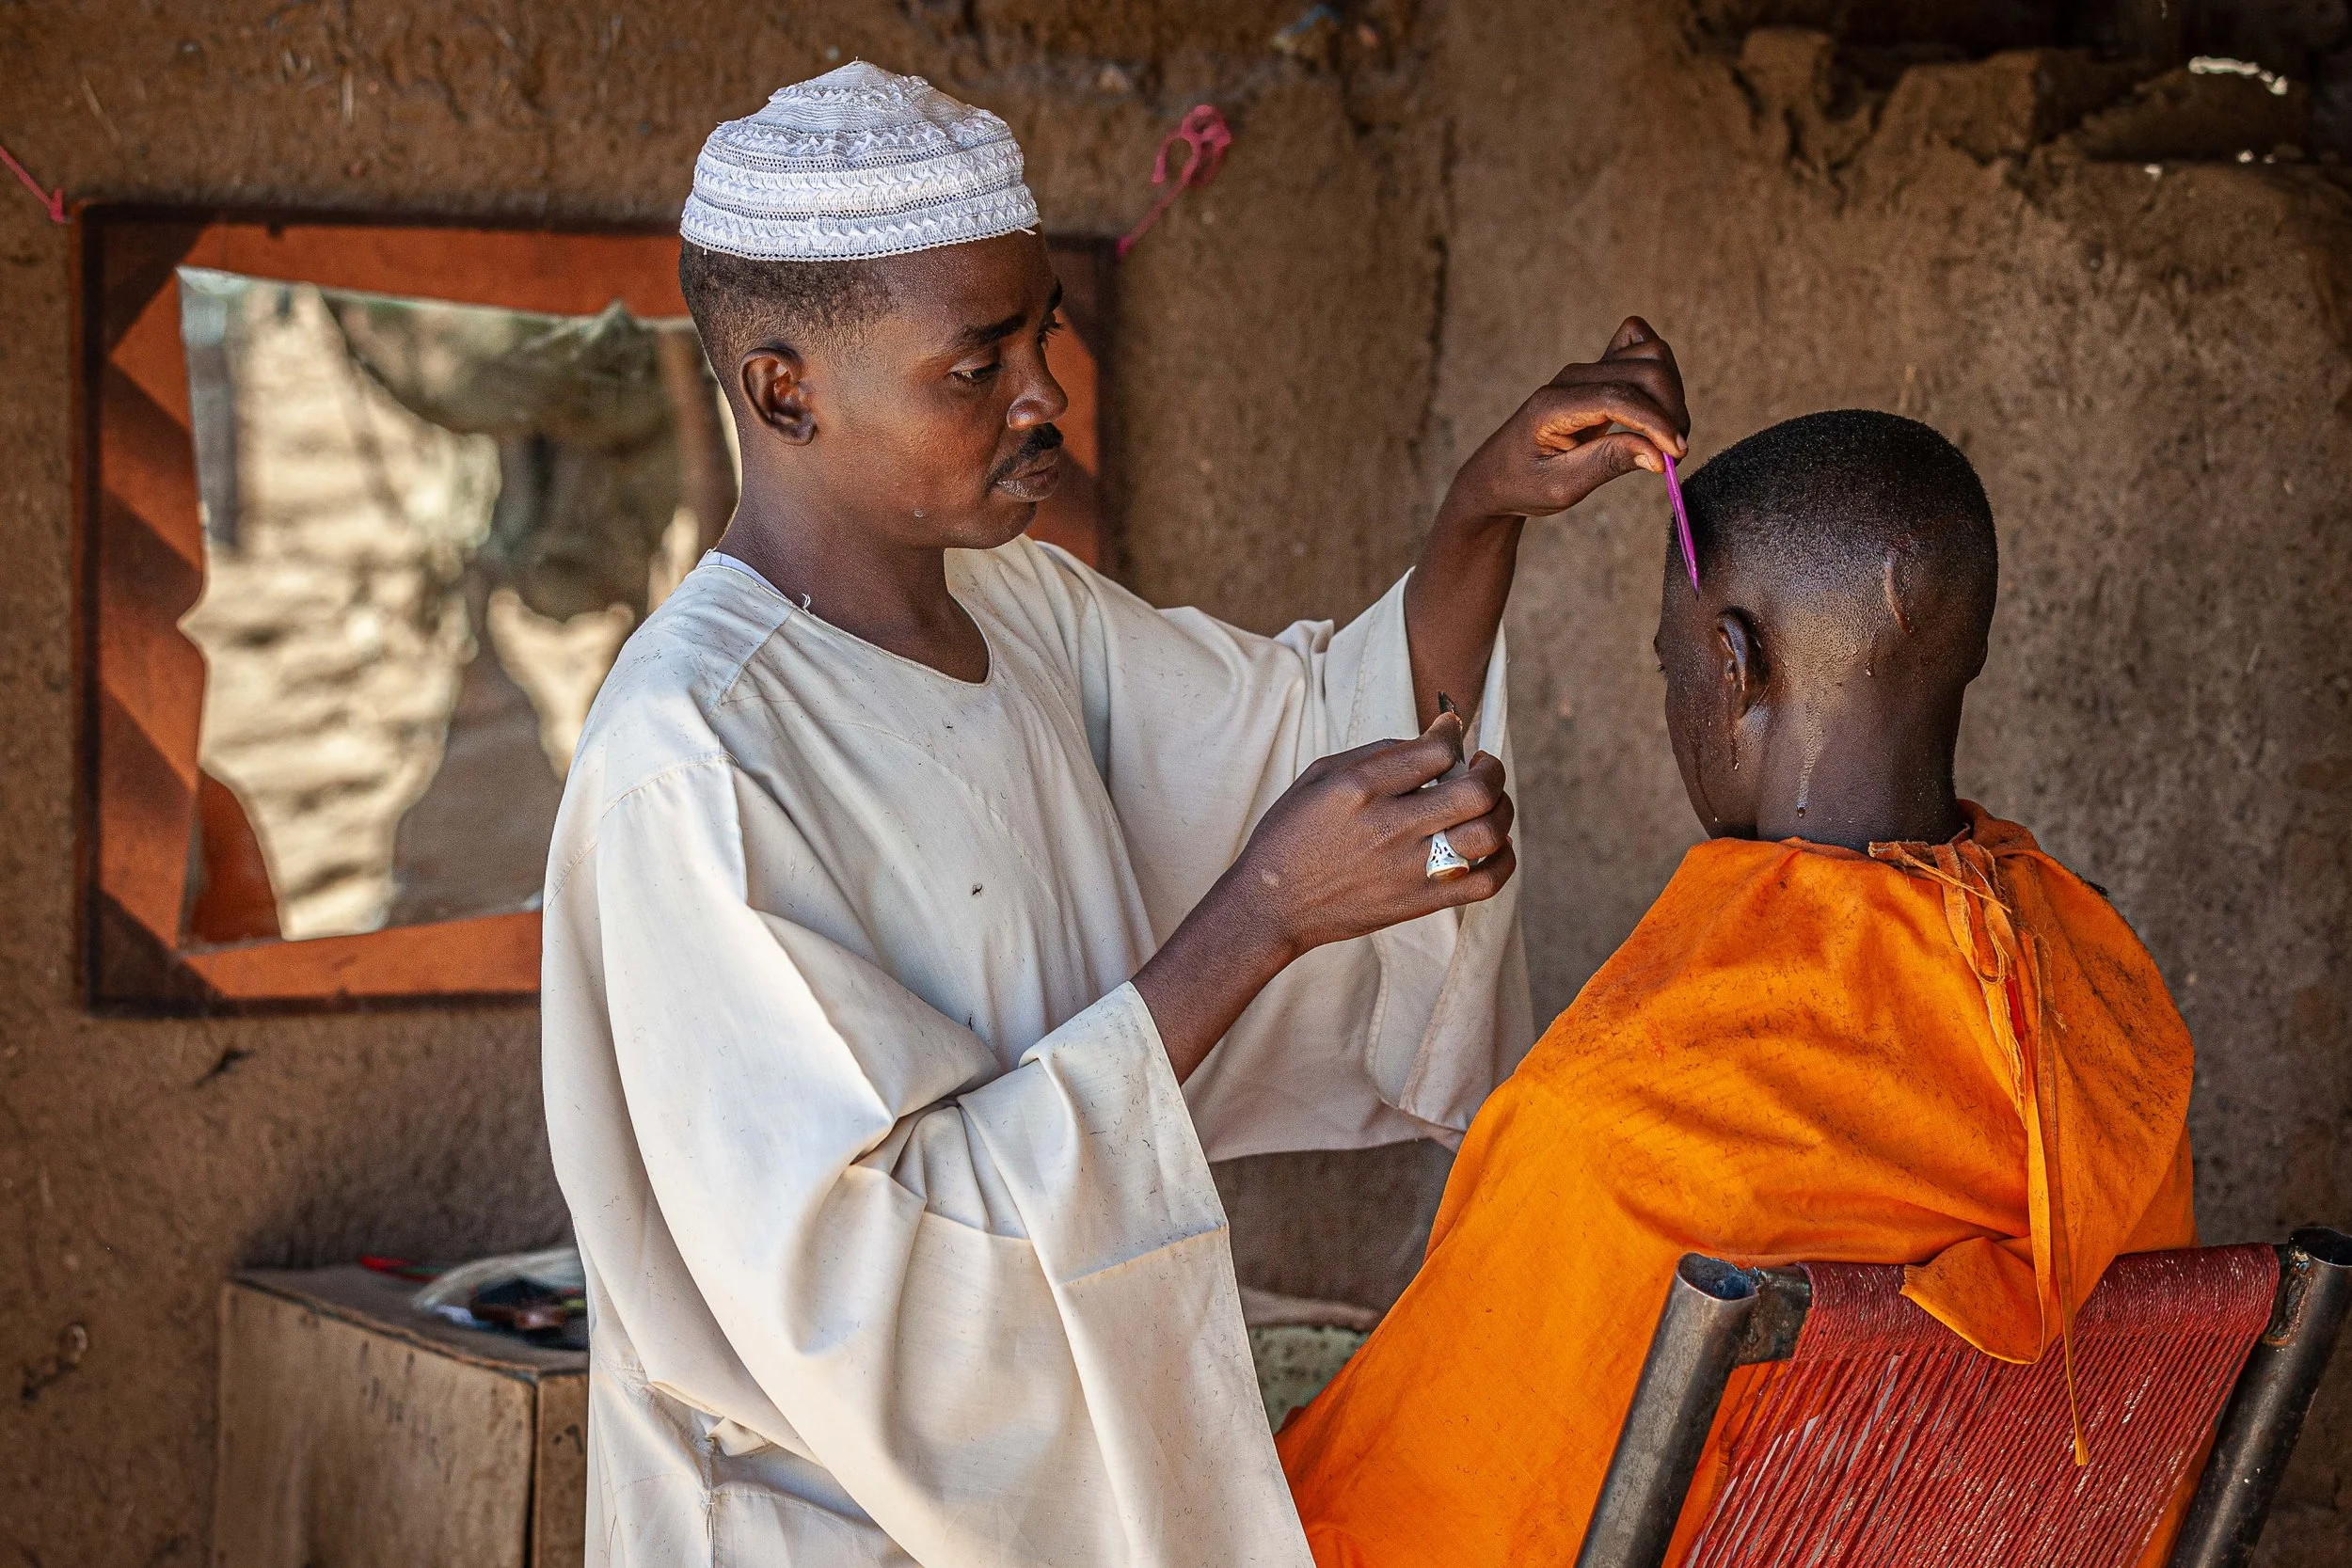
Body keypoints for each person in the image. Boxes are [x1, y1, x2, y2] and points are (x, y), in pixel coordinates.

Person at [539, 62, 1690, 1565]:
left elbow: (1311, 731)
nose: (1041, 398)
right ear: (784, 389)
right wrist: (1267, 915)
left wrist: (1478, 515)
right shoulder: (694, 755)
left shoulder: (1024, 614)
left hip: (1093, 1482)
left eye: (1044, 335)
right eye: (975, 366)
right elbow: (877, 1290)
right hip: (835, 1527)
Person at [1276, 409, 2199, 1568]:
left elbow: (1406, 1515)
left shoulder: (1619, 1129)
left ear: (1733, 663)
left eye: (1673, 666)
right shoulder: (2110, 1014)